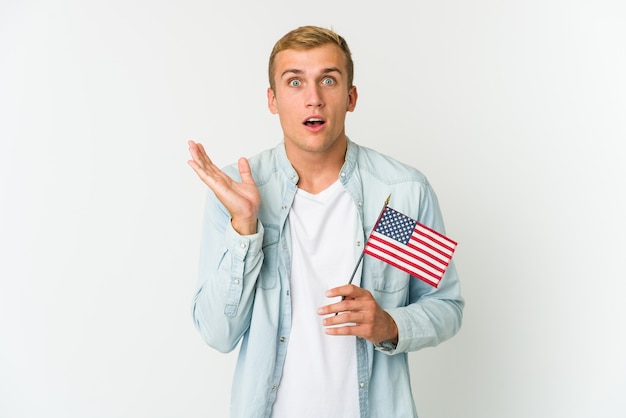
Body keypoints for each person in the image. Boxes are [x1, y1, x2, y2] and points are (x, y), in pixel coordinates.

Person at [187, 25, 464, 418]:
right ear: (273, 99)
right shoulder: (237, 193)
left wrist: (388, 324)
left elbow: (445, 306)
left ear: (350, 97)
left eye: (328, 80)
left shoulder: (399, 194)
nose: (313, 99)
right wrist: (244, 227)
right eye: (295, 82)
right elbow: (218, 334)